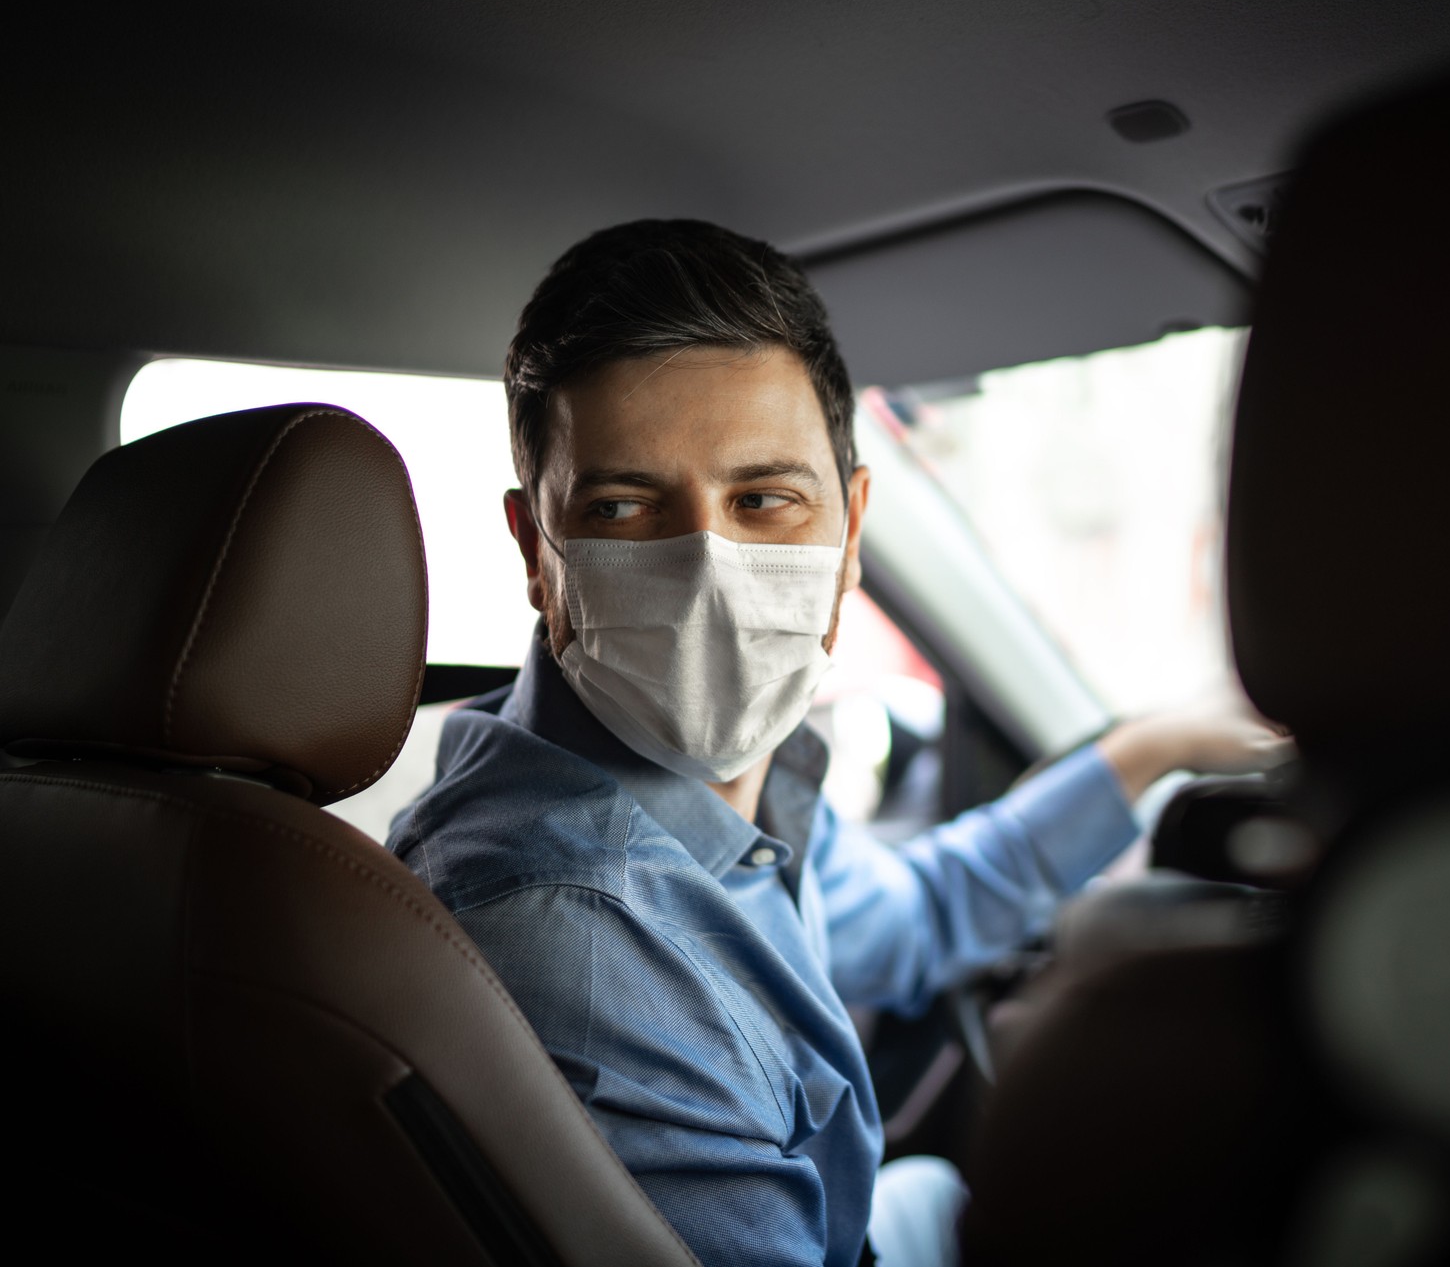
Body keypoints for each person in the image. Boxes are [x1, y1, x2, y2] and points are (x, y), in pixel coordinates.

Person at [388, 218, 1285, 1267]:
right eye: (625, 508)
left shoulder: (705, 799)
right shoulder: (585, 931)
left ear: (849, 530)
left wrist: (1153, 747)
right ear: (537, 556)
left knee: (947, 1194)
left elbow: (912, 918)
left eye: (763, 499)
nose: (707, 573)